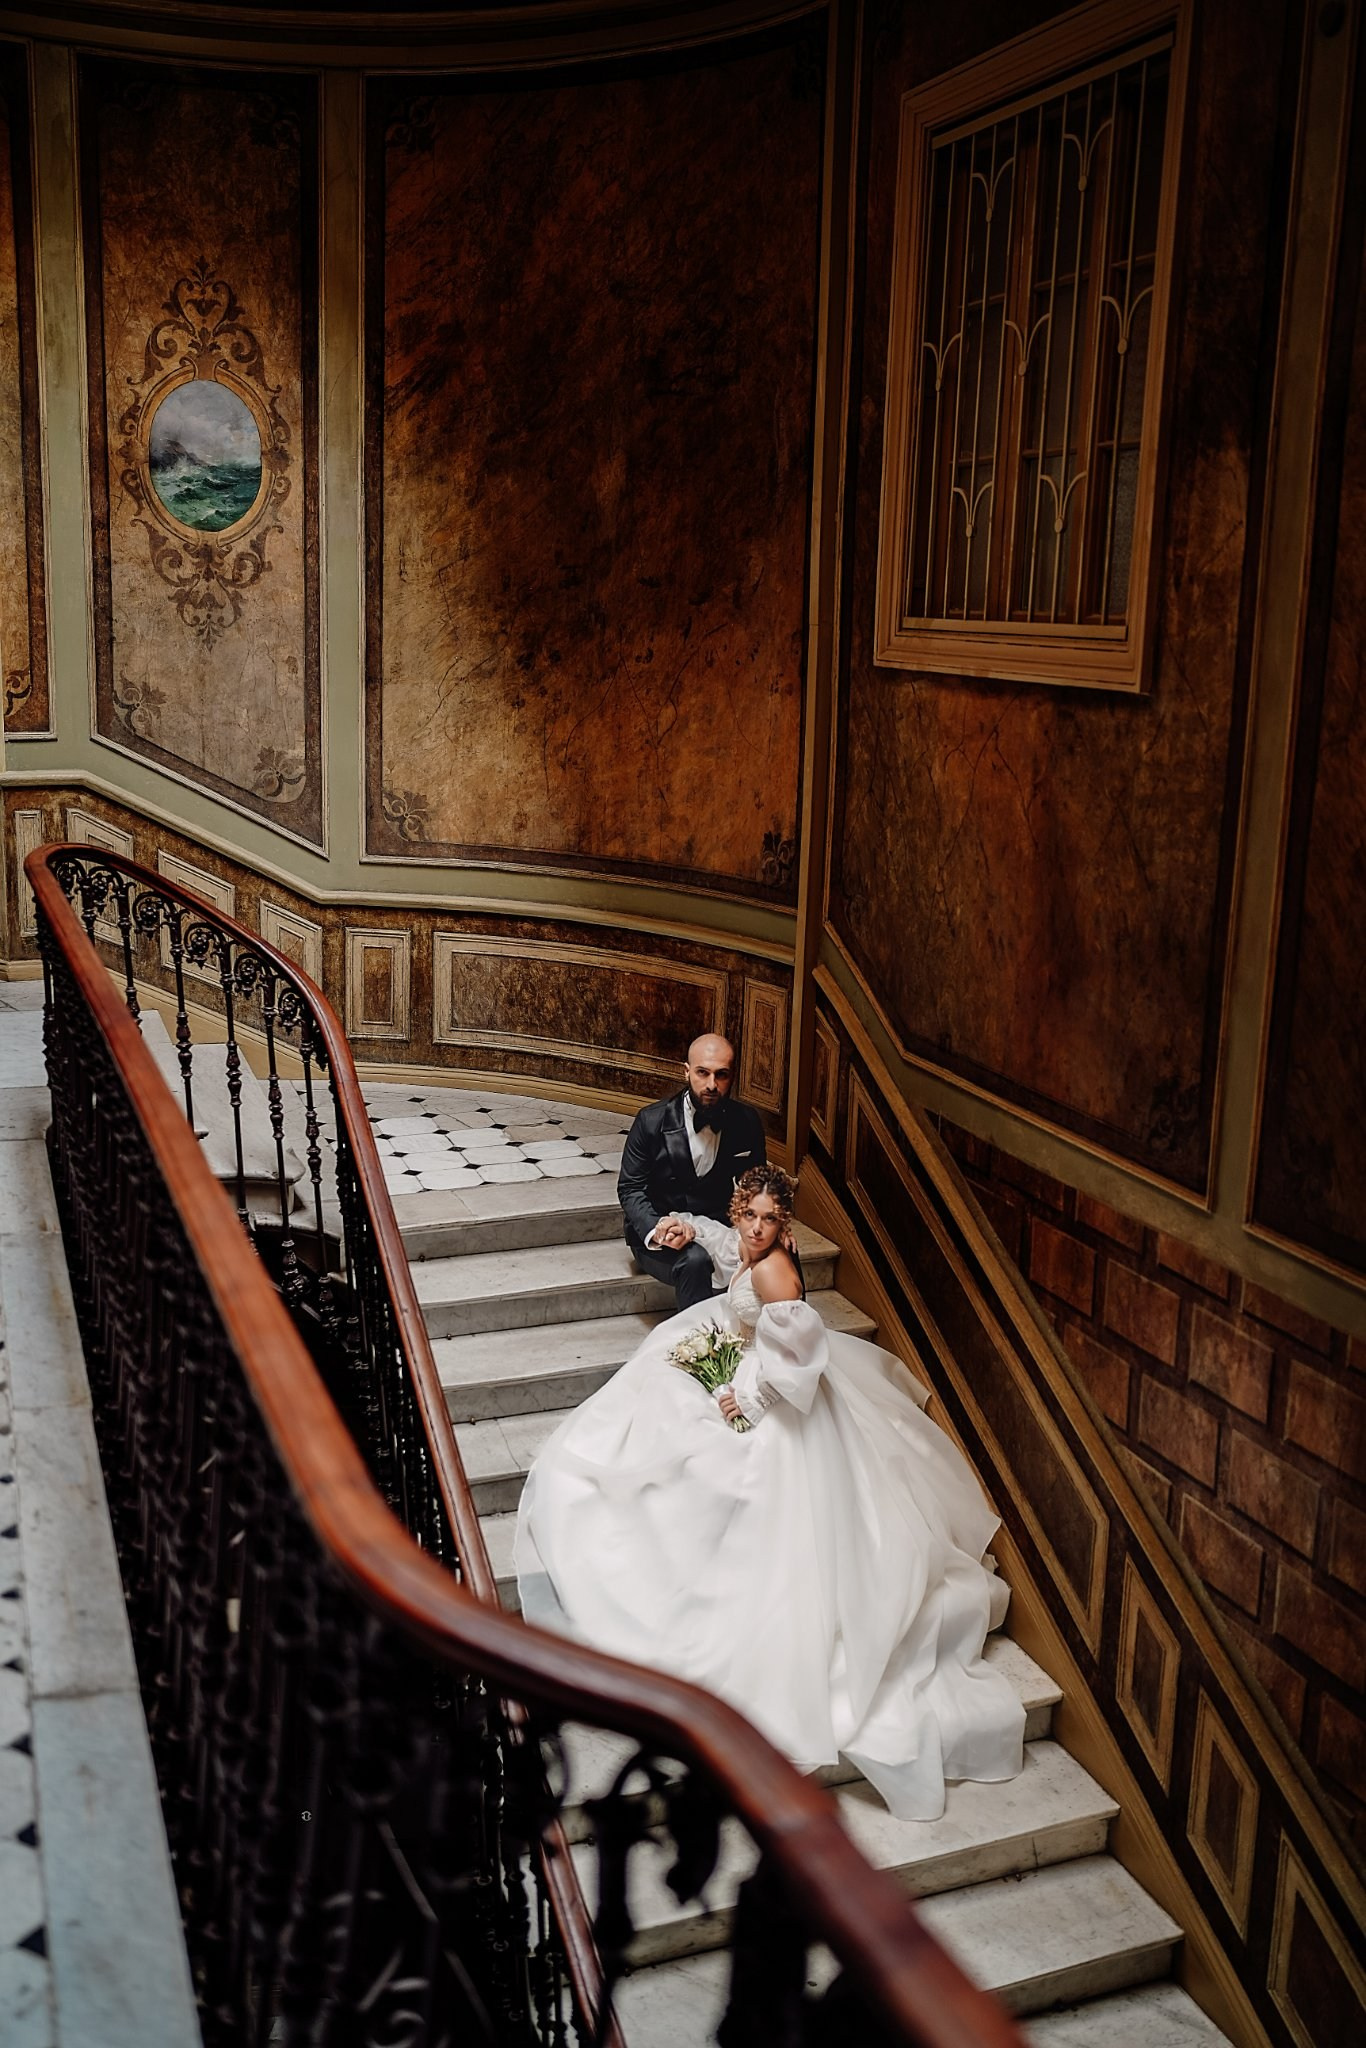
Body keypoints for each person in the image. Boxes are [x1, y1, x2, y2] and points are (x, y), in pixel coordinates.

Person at [516, 1166, 1025, 1822]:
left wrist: (748, 1401)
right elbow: (727, 1250)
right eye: (750, 1216)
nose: (756, 1230)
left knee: (724, 1479)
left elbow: (801, 1366)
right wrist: (686, 1226)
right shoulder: (749, 1249)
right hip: (755, 1363)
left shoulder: (777, 1273)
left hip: (780, 1399)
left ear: (785, 1227)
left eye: (769, 1220)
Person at [617, 1032, 767, 1311]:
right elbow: (630, 1188)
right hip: (663, 1229)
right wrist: (658, 1229)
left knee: (783, 1248)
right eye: (702, 1073)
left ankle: (789, 1334)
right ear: (686, 1072)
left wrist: (771, 1227)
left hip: (718, 1226)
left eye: (721, 1075)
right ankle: (699, 1337)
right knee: (695, 1260)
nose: (711, 1084)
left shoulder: (746, 1121)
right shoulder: (650, 1121)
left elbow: (758, 1188)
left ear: (732, 1076)